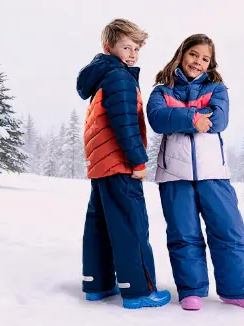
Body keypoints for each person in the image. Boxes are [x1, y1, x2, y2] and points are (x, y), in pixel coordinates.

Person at [146, 34, 244, 311]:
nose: (198, 62)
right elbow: (157, 119)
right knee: (183, 234)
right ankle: (191, 290)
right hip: (174, 174)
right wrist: (194, 117)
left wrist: (182, 117)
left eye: (205, 58)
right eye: (193, 55)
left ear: (210, 64)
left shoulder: (217, 88)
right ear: (181, 54)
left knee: (228, 230)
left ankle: (240, 289)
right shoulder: (162, 91)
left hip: (214, 174)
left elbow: (219, 120)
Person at [75, 18, 171, 309]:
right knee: (132, 224)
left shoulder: (103, 75)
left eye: (136, 48)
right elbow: (125, 124)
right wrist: (138, 161)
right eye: (126, 47)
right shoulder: (119, 77)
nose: (132, 54)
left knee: (101, 223)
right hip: (119, 163)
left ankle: (98, 283)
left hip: (101, 165)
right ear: (109, 47)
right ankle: (139, 291)